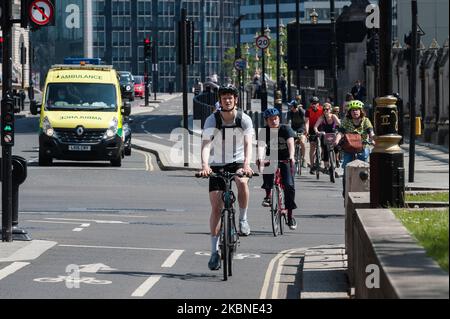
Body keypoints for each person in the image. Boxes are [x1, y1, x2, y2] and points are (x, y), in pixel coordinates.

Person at [198, 84, 254, 271]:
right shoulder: (212, 119)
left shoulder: (244, 119)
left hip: (238, 161)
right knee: (216, 207)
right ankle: (214, 252)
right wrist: (205, 166)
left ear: (235, 100)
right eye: (224, 98)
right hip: (216, 164)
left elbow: (248, 143)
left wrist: (246, 164)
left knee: (241, 181)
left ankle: (243, 219)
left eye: (230, 97)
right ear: (220, 101)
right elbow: (206, 144)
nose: (227, 100)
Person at [257, 108, 297, 230]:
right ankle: (268, 195)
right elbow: (261, 146)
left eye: (275, 118)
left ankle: (290, 216)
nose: (274, 121)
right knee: (268, 170)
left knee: (289, 186)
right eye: (271, 119)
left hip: (286, 158)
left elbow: (290, 143)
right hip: (272, 156)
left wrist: (291, 156)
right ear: (266, 121)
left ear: (279, 118)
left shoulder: (285, 129)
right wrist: (260, 158)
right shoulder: (264, 131)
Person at [335, 100, 375, 195]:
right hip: (349, 148)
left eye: (357, 110)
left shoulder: (366, 120)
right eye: (352, 110)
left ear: (361, 111)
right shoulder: (346, 120)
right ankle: (345, 187)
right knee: (346, 165)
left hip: (362, 146)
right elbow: (340, 132)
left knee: (364, 166)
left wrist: (374, 140)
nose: (355, 112)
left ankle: (365, 187)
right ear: (349, 112)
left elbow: (371, 132)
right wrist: (336, 140)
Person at [313, 103, 341, 174]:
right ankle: (326, 166)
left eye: (327, 109)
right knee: (325, 148)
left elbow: (339, 124)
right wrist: (317, 131)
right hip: (325, 134)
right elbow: (315, 126)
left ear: (330, 109)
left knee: (336, 147)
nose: (325, 111)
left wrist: (339, 130)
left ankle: (337, 159)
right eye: (324, 109)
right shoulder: (322, 117)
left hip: (333, 133)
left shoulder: (333, 116)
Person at [304, 96, 324, 174]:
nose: (314, 105)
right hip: (312, 128)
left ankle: (321, 159)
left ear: (318, 104)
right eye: (312, 103)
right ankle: (312, 166)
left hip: (321, 127)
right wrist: (307, 131)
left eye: (315, 103)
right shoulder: (308, 111)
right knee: (312, 146)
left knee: (324, 145)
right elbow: (307, 122)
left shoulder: (322, 109)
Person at [286, 98, 307, 168]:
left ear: (295, 106)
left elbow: (305, 121)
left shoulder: (301, 111)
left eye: (291, 106)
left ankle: (304, 159)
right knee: (292, 142)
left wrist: (306, 131)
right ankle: (293, 156)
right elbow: (288, 122)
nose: (290, 107)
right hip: (293, 128)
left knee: (302, 141)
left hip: (301, 128)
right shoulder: (290, 112)